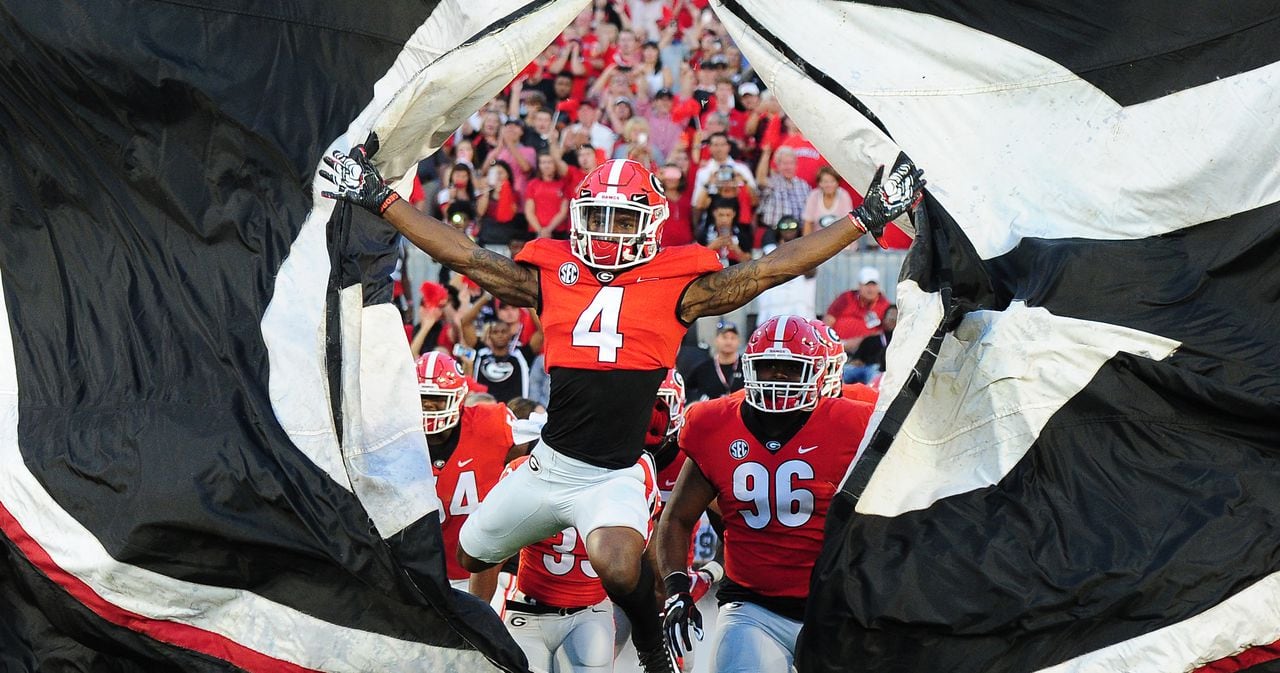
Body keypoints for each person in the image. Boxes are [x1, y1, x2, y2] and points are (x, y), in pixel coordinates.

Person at [320, 146, 925, 673]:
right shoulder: (553, 276)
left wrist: (865, 217)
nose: (608, 231)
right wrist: (380, 200)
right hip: (551, 463)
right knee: (472, 551)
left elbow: (771, 268)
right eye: (599, 216)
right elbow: (470, 257)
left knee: (615, 564)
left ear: (652, 227)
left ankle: (651, 645)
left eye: (622, 218)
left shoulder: (678, 287)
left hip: (612, 472)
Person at [656, 316, 874, 671]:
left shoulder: (856, 420)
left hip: (836, 607)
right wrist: (677, 588)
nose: (778, 377)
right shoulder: (713, 423)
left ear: (819, 373)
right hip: (753, 606)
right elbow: (678, 517)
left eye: (789, 367)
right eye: (768, 366)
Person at [416, 352, 519, 596]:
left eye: (436, 398)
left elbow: (536, 452)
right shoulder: (394, 438)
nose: (428, 406)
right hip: (419, 571)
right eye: (421, 398)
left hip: (480, 572)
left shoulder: (491, 424)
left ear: (458, 399)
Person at [754, 217, 816, 322]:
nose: (788, 231)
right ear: (778, 230)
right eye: (784, 228)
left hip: (799, 309)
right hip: (772, 308)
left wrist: (795, 253)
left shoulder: (805, 251)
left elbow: (811, 273)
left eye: (792, 228)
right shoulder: (769, 250)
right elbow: (761, 271)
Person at [824, 266, 892, 357]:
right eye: (867, 285)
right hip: (836, 349)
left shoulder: (884, 305)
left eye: (874, 285)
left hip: (865, 354)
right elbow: (828, 320)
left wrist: (860, 342)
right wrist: (829, 343)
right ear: (859, 285)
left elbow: (885, 333)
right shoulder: (846, 298)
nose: (870, 289)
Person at [473, 319, 537, 404]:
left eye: (503, 332)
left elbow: (541, 331)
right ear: (489, 335)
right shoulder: (480, 354)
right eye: (495, 332)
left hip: (514, 410)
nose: (500, 335)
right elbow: (465, 323)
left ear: (510, 334)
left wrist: (530, 306)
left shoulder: (521, 354)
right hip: (485, 408)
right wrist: (481, 304)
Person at [685, 321, 743, 402]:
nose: (729, 342)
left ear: (738, 341)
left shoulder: (746, 366)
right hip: (711, 412)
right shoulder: (702, 369)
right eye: (724, 337)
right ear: (716, 340)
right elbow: (688, 390)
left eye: (733, 338)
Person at [802, 165, 855, 236]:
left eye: (832, 181)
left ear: (837, 183)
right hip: (818, 240)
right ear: (819, 183)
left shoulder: (843, 195)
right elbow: (808, 223)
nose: (829, 185)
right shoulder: (813, 196)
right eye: (825, 182)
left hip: (841, 238)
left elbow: (848, 223)